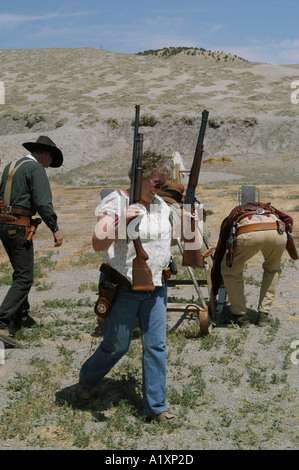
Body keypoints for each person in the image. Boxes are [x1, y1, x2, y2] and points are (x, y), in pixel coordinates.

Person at [77, 150, 180, 424]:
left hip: (156, 287)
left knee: (156, 345)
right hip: (123, 288)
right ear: (141, 178)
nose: (160, 188)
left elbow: (168, 240)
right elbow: (98, 242)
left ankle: (156, 407)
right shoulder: (116, 201)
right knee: (116, 345)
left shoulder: (161, 205)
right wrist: (120, 218)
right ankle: (87, 379)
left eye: (163, 184)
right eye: (156, 183)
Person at [0, 136, 64, 347]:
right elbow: (43, 202)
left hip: (5, 225)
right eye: (50, 162)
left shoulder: (11, 165)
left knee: (20, 271)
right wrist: (55, 228)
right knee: (25, 277)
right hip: (19, 227)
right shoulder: (36, 169)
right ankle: (2, 322)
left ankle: (22, 317)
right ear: (47, 156)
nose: (48, 166)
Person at [211, 201, 294, 326]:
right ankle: (264, 314)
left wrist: (215, 288)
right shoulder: (270, 208)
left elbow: (221, 248)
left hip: (248, 233)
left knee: (230, 271)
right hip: (277, 230)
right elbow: (289, 219)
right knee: (272, 270)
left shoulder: (237, 210)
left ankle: (239, 316)